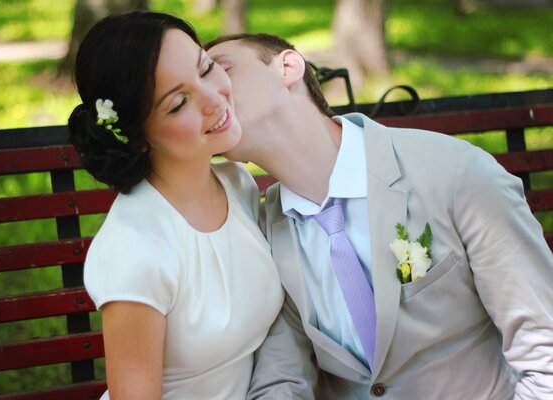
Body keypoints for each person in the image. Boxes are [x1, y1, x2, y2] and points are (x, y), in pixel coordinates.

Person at [205, 33, 553, 399]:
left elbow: (545, 349)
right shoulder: (265, 231)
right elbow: (281, 379)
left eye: (222, 70)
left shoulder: (456, 174)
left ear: (288, 67)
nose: (210, 95)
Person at [67, 13, 284, 399]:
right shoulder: (136, 250)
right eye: (179, 102)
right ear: (139, 135)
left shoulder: (236, 183)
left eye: (206, 68)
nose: (214, 98)